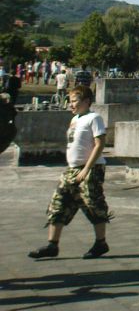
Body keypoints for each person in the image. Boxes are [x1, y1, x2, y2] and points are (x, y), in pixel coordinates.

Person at [28, 85, 111, 260]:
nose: (71, 105)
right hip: (72, 169)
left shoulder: (94, 118)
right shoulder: (74, 120)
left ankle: (101, 242)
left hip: (90, 169)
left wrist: (87, 169)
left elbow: (100, 144)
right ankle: (52, 244)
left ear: (86, 101)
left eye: (75, 101)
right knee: (58, 202)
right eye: (70, 101)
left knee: (93, 204)